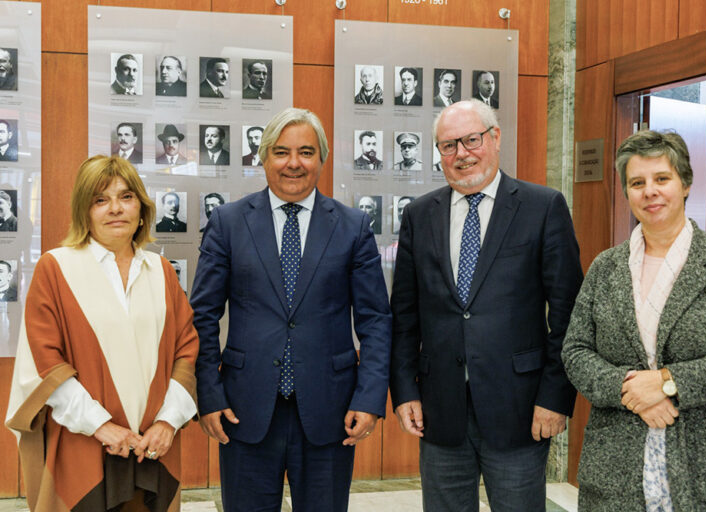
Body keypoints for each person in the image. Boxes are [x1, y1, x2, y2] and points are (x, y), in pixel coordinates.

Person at [191, 107, 391, 512]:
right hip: (243, 409)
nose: (294, 163)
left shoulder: (353, 226)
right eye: (281, 152)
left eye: (306, 152)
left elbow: (375, 321)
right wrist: (208, 395)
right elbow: (202, 316)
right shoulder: (228, 222)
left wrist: (369, 398)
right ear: (263, 158)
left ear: (322, 159)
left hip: (331, 410)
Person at [390, 99, 582, 512]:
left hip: (520, 411)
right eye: (448, 145)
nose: (461, 154)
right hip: (440, 411)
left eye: (471, 140)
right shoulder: (420, 215)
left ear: (495, 138)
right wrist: (404, 389)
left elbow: (568, 315)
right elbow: (404, 316)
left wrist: (555, 397)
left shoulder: (542, 207)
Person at [562, 130, 706, 511]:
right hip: (617, 463)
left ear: (685, 184)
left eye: (662, 179)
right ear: (626, 193)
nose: (650, 192)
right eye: (637, 183)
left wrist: (668, 383)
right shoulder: (606, 267)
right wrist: (630, 391)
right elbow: (576, 350)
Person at [5, 155, 198, 511]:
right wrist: (101, 426)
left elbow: (185, 351)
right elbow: (46, 362)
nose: (115, 209)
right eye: (100, 199)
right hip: (84, 446)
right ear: (84, 211)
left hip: (150, 448)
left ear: (141, 208)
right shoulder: (57, 267)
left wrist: (168, 422)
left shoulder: (160, 271)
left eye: (126, 197)